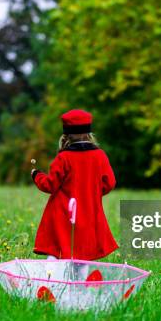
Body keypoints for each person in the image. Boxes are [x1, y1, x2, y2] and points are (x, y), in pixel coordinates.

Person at [31, 109, 118, 261]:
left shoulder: (63, 158)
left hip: (61, 215)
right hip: (88, 212)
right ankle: (78, 285)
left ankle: (51, 283)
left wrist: (36, 175)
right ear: (89, 133)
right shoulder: (100, 156)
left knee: (56, 252)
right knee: (82, 254)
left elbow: (49, 185)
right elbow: (109, 183)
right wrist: (91, 192)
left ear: (66, 134)